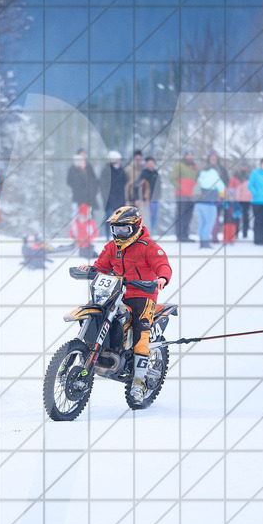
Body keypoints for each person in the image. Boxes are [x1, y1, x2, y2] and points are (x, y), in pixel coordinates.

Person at [83, 206, 171, 401]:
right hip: (115, 292)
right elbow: (101, 266)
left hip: (142, 294)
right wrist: (90, 269)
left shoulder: (148, 246)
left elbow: (162, 264)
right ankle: (86, 350)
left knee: (141, 329)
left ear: (136, 227)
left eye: (124, 229)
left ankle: (138, 383)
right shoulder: (112, 247)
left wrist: (162, 278)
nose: (119, 233)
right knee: (94, 312)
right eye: (116, 229)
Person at [194, 158, 226, 249]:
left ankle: (201, 242)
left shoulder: (201, 175)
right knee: (209, 223)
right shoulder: (214, 174)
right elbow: (221, 187)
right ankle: (205, 243)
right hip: (209, 203)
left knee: (202, 223)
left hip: (198, 203)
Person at [171, 149, 198, 241]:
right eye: (188, 155)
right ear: (185, 156)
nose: (190, 157)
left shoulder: (194, 167)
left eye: (191, 155)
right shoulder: (179, 165)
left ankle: (185, 235)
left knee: (188, 216)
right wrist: (180, 189)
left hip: (191, 196)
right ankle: (180, 236)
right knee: (181, 215)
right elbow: (173, 178)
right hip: (181, 196)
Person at [99, 151, 127, 240]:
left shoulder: (121, 170)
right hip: (109, 200)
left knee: (119, 220)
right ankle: (108, 236)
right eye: (118, 160)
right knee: (109, 218)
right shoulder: (106, 170)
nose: (120, 161)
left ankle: (118, 236)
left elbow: (124, 184)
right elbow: (103, 186)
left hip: (120, 200)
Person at [66, 149, 99, 217]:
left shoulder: (88, 166)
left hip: (89, 198)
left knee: (90, 217)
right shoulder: (73, 168)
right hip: (78, 197)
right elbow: (70, 181)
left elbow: (93, 181)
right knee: (77, 216)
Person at [228, 165, 251, 239]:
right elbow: (231, 187)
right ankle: (236, 233)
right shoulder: (235, 177)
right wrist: (230, 197)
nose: (243, 168)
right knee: (236, 216)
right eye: (242, 166)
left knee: (246, 216)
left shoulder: (250, 177)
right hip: (237, 199)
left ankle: (245, 233)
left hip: (247, 199)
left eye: (245, 166)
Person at [139, 157, 160, 233]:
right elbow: (141, 186)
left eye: (152, 163)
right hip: (147, 198)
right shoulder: (144, 173)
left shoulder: (156, 173)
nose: (151, 165)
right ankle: (148, 233)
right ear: (146, 164)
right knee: (148, 217)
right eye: (149, 163)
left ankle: (152, 232)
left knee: (155, 217)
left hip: (156, 198)